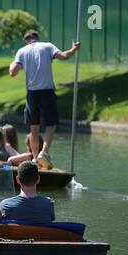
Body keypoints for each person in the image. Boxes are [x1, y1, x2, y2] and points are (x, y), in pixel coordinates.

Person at [9, 30, 80, 170]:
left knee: (33, 128)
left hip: (32, 94)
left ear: (26, 41)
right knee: (51, 125)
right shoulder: (47, 46)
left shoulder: (22, 51)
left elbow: (13, 72)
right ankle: (44, 152)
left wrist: (12, 64)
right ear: (37, 38)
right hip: (47, 92)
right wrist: (74, 49)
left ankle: (35, 159)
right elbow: (64, 56)